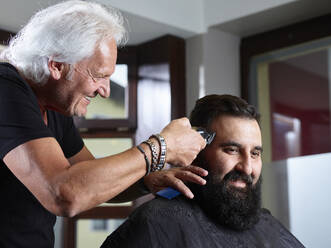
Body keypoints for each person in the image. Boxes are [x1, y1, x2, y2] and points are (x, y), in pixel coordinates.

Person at [0, 1, 208, 247]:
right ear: (56, 65)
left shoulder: (54, 107)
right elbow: (64, 194)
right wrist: (161, 147)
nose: (106, 91)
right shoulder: (5, 90)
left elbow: (88, 179)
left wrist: (146, 180)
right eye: (99, 76)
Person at [101, 94, 305, 248]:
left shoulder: (269, 227)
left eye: (255, 153)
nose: (247, 167)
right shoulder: (156, 223)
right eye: (232, 150)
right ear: (195, 152)